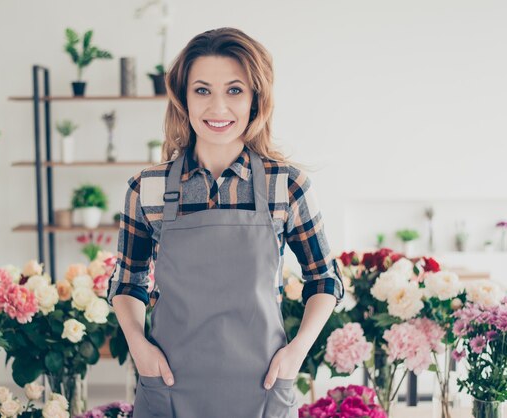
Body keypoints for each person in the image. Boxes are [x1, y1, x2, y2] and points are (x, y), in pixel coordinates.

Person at [107, 27, 344, 418]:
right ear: (183, 98)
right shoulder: (146, 189)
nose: (218, 108)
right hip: (168, 388)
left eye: (234, 90)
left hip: (263, 388)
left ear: (255, 99)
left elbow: (324, 278)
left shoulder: (286, 186)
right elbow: (128, 281)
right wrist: (138, 346)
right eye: (202, 90)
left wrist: (296, 353)